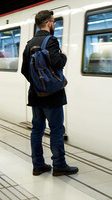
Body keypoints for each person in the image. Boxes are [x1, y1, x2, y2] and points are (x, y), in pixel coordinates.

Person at [21, 10, 78, 176]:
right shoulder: (51, 40)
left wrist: (38, 84)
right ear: (48, 23)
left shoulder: (29, 43)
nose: (54, 25)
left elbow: (25, 70)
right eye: (53, 22)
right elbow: (57, 63)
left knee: (37, 130)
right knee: (56, 130)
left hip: (35, 95)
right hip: (52, 96)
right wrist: (64, 57)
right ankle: (59, 165)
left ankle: (38, 165)